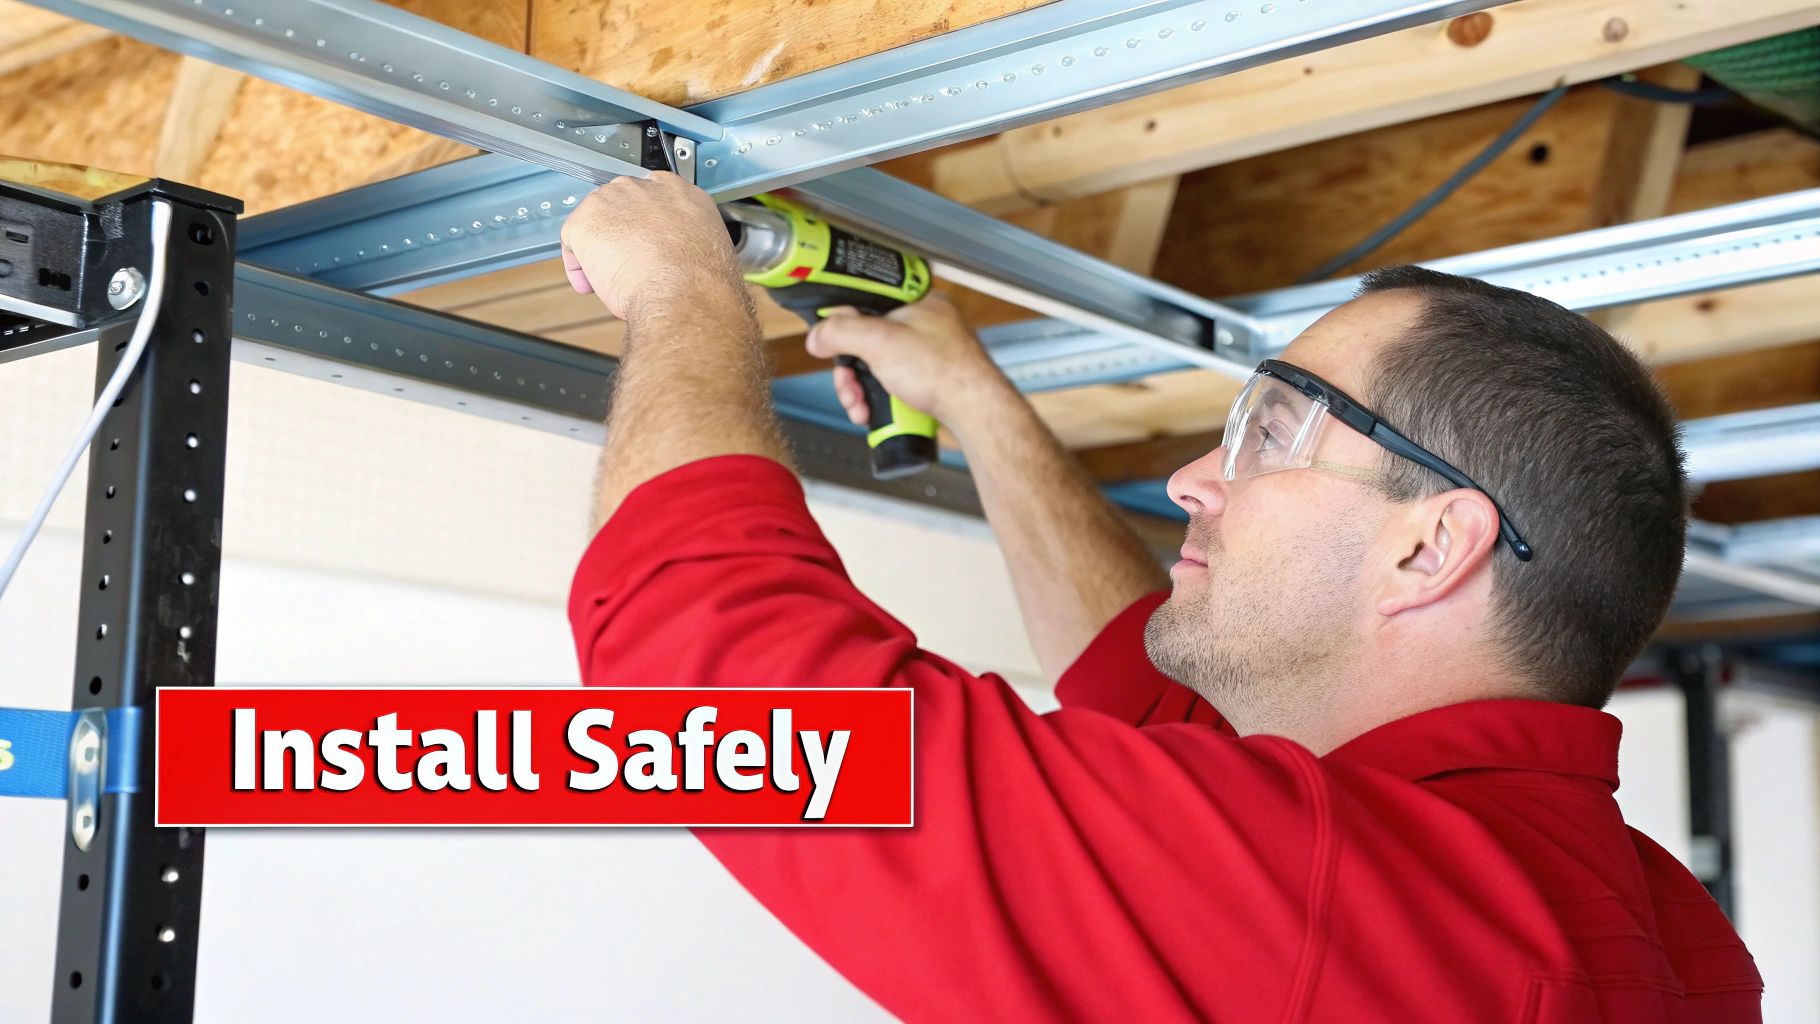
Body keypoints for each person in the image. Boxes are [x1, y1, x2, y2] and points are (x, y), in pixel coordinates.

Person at [560, 172, 1761, 1022]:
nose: (1194, 478)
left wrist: (680, 289)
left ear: (1428, 546)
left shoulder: (1336, 892)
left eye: (1272, 431)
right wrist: (972, 394)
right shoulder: (1655, 930)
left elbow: (722, 694)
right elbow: (1155, 698)